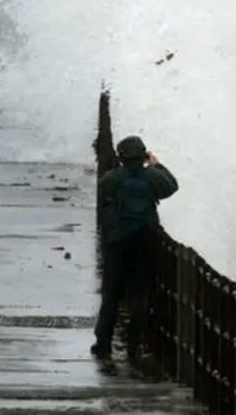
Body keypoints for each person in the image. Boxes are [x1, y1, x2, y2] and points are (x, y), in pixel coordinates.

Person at [91, 134, 179, 359]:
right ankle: (134, 343)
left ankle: (103, 343)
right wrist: (157, 165)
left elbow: (104, 208)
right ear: (143, 155)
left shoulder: (110, 179)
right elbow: (172, 186)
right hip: (143, 241)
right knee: (140, 293)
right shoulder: (152, 178)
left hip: (117, 244)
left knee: (112, 294)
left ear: (120, 157)